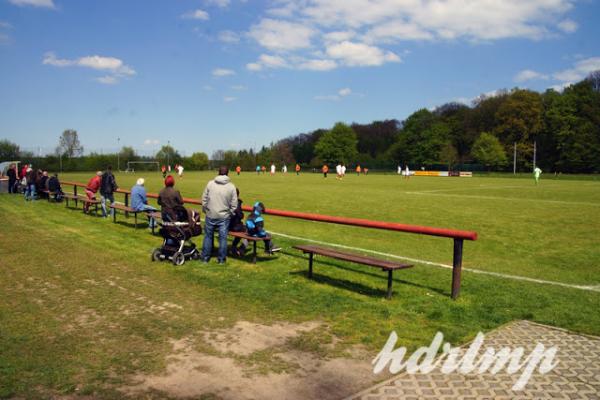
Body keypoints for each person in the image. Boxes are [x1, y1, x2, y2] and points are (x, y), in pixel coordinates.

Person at [201, 166, 237, 264]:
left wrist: (206, 209)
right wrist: (230, 213)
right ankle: (221, 260)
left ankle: (205, 258)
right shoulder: (231, 186)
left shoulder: (210, 184)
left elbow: (204, 199)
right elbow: (234, 204)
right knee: (223, 238)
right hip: (224, 216)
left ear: (218, 172)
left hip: (211, 214)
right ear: (228, 173)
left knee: (208, 236)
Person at [229, 188, 249, 257]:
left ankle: (233, 247)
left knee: (241, 229)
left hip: (226, 226)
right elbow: (240, 215)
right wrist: (242, 214)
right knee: (249, 230)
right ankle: (241, 249)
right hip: (234, 227)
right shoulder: (237, 202)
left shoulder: (226, 201)